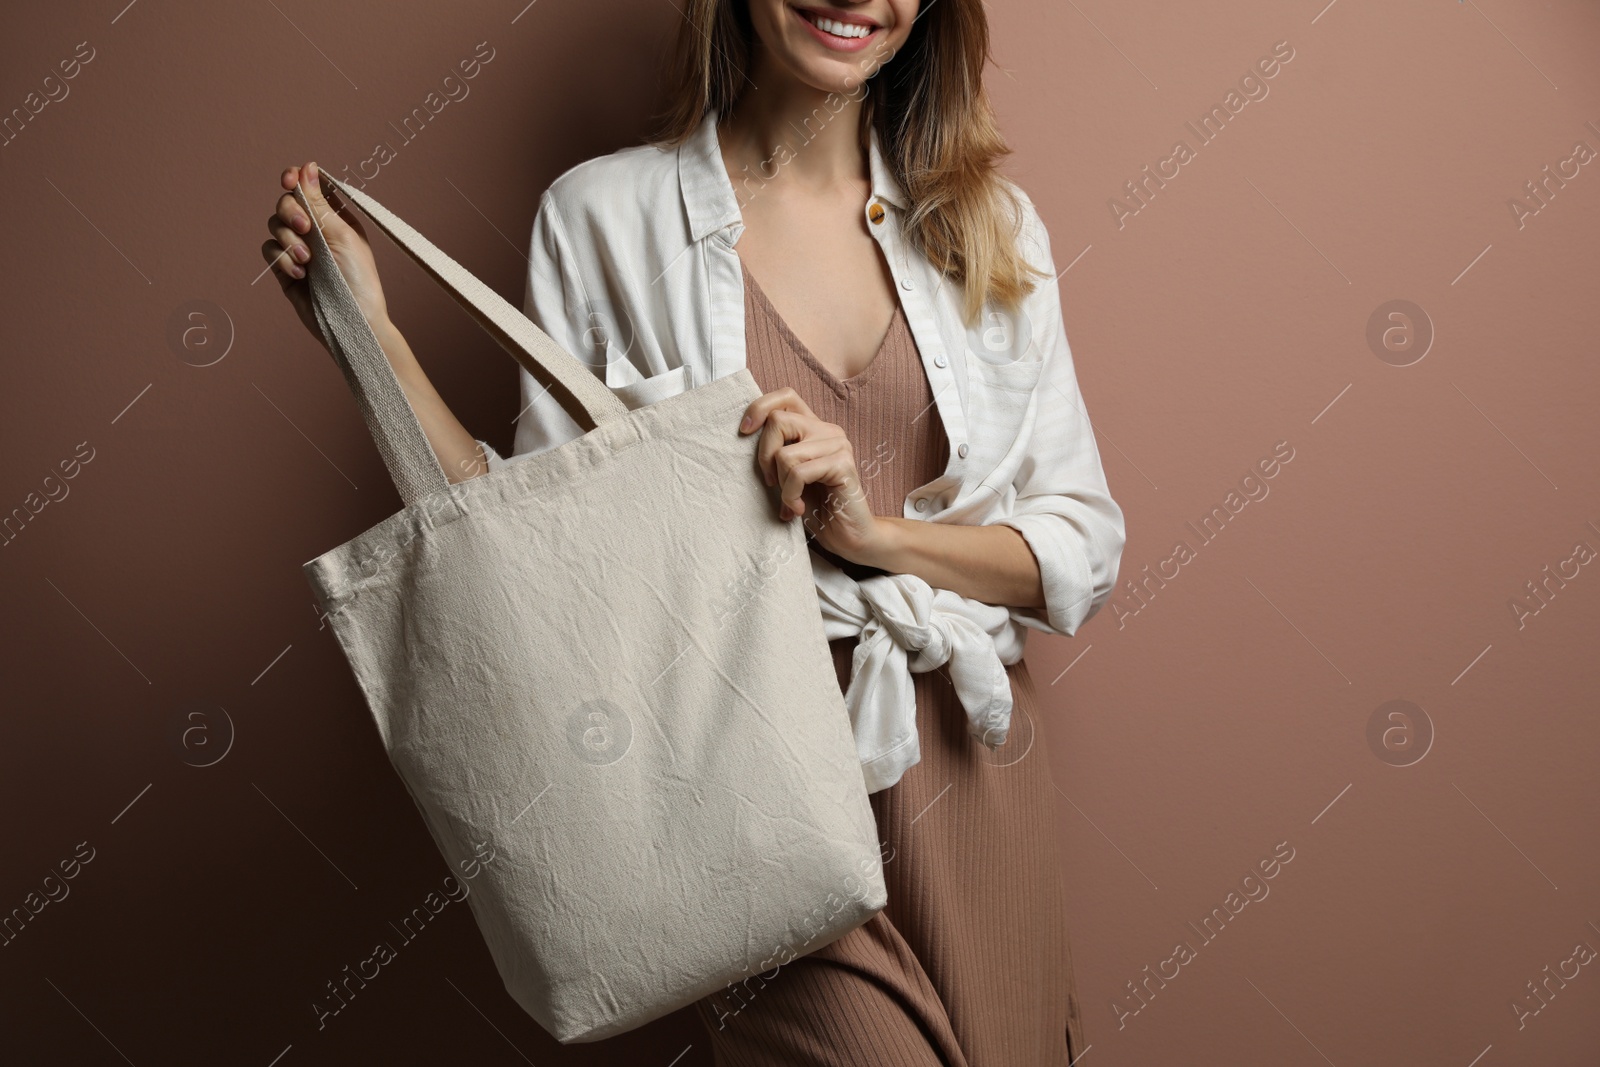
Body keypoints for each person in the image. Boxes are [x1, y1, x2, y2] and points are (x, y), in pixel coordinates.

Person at [263, 1, 1124, 1061]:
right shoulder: (602, 216)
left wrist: (875, 536)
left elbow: (1078, 543)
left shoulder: (989, 221)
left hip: (967, 773)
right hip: (736, 775)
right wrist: (371, 334)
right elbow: (538, 557)